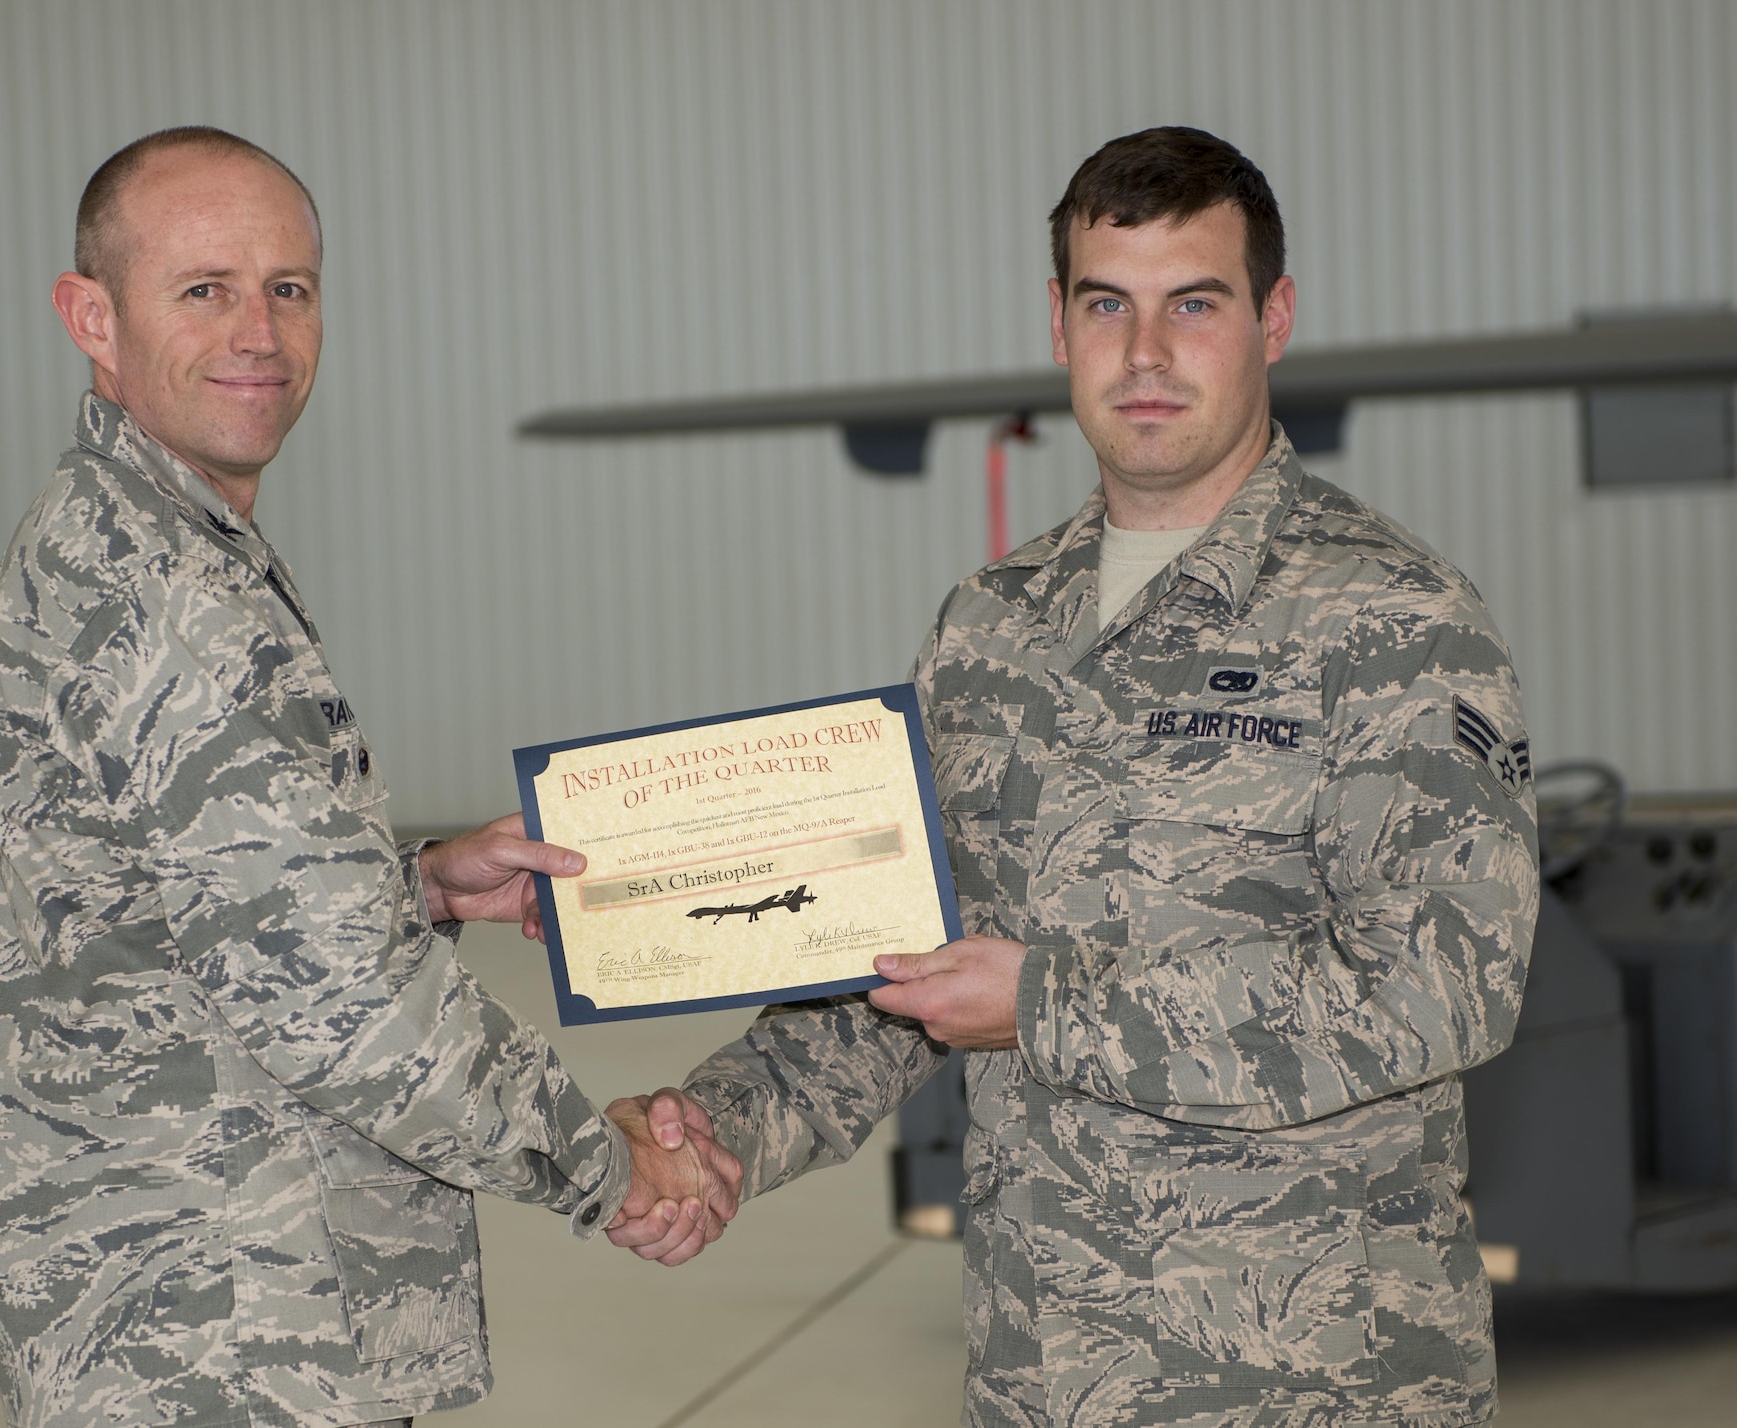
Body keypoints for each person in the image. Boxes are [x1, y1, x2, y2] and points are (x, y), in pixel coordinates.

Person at [629, 126, 1540, 1426]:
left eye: (1195, 304)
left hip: (1317, 1385)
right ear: (1057, 324)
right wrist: (716, 1130)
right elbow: (908, 972)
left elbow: (1446, 984)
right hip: (1046, 1374)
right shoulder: (988, 629)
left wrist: (1047, 1002)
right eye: (1108, 304)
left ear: (1274, 319)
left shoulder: (1396, 621)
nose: (1147, 354)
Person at [0, 126, 738, 1428]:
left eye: (290, 288)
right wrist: (605, 1167)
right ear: (91, 315)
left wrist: (416, 883)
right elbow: (345, 1009)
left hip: (206, 1315)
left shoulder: (155, 538)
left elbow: (204, 907)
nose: (258, 330)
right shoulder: (165, 596)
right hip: (219, 1342)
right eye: (203, 288)